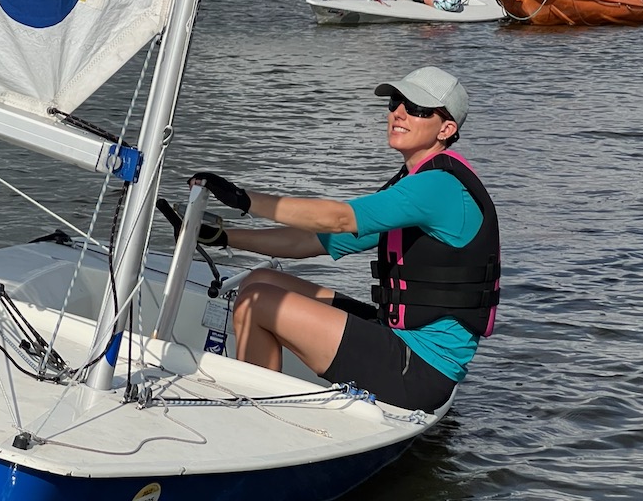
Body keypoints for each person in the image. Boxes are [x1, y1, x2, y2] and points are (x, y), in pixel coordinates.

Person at [187, 66, 500, 413]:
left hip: (418, 372)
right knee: (260, 280)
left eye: (416, 109)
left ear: (446, 129)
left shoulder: (438, 186)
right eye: (395, 103)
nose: (398, 113)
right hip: (398, 340)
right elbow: (311, 241)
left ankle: (257, 418)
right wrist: (224, 237)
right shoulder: (416, 183)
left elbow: (337, 218)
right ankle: (259, 395)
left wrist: (243, 199)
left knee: (255, 302)